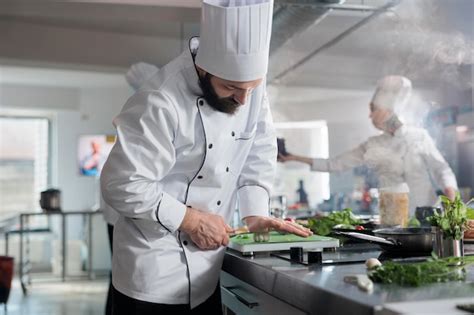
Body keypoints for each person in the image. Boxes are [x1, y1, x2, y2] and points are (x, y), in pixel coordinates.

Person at [100, 1, 312, 314]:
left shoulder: (250, 90)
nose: (243, 99)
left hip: (207, 273)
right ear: (203, 69)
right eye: (232, 88)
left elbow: (258, 150)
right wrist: (190, 219)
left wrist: (255, 213)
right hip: (152, 274)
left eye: (251, 88)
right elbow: (122, 183)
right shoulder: (160, 101)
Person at [279, 75, 458, 215]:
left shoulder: (419, 136)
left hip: (426, 215)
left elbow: (442, 170)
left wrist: (451, 196)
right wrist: (294, 157)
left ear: (388, 111)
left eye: (373, 109)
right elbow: (334, 164)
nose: (369, 116)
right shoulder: (373, 144)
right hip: (393, 219)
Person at [103, 62, 159, 315]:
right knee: (124, 274)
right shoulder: (141, 117)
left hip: (122, 213)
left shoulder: (141, 113)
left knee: (121, 273)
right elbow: (124, 183)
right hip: (123, 213)